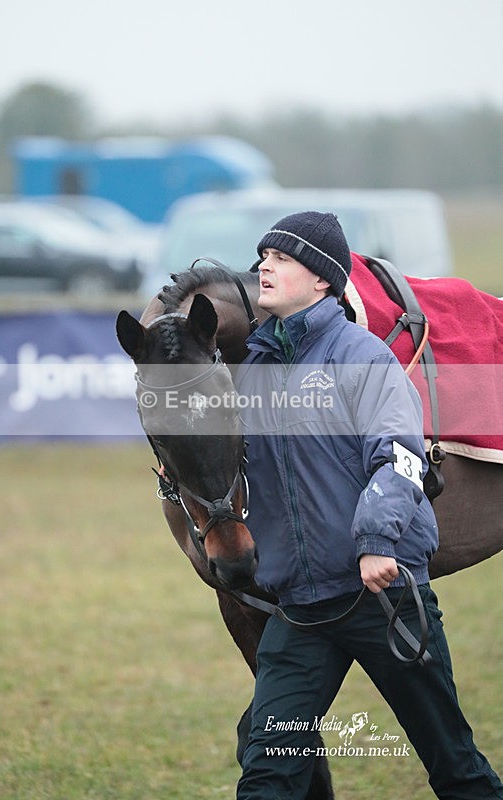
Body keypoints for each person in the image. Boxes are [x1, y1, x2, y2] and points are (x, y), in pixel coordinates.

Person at [234, 211, 503, 800]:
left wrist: (377, 543)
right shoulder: (253, 369)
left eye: (282, 259)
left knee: (454, 767)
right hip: (301, 608)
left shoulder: (362, 357)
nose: (265, 267)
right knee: (267, 772)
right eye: (263, 257)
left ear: (323, 281)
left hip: (381, 600)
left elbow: (401, 456)